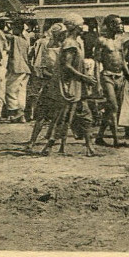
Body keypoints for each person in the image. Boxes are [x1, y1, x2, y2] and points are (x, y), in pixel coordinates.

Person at [40, 13, 97, 156]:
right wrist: (85, 78)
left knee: (86, 117)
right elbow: (67, 66)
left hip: (77, 85)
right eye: (81, 24)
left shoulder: (76, 42)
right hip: (70, 86)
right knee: (64, 117)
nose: (83, 26)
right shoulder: (70, 44)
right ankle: (49, 145)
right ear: (76, 26)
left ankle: (90, 147)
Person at [93, 14, 129, 148]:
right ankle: (116, 140)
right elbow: (97, 63)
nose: (120, 26)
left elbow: (123, 62)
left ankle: (99, 136)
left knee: (112, 109)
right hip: (107, 76)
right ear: (111, 25)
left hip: (120, 77)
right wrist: (98, 83)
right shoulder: (101, 41)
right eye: (117, 23)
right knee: (114, 107)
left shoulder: (120, 41)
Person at [25, 23, 65, 151]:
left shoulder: (66, 48)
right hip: (49, 84)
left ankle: (50, 144)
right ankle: (32, 142)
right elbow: (43, 69)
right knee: (41, 115)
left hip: (61, 85)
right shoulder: (47, 47)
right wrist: (53, 76)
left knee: (57, 117)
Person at [4, 20, 32, 123]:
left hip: (16, 67)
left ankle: (14, 112)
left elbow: (7, 36)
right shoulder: (25, 40)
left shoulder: (15, 39)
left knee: (10, 89)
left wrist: (3, 27)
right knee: (21, 91)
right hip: (25, 68)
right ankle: (21, 114)